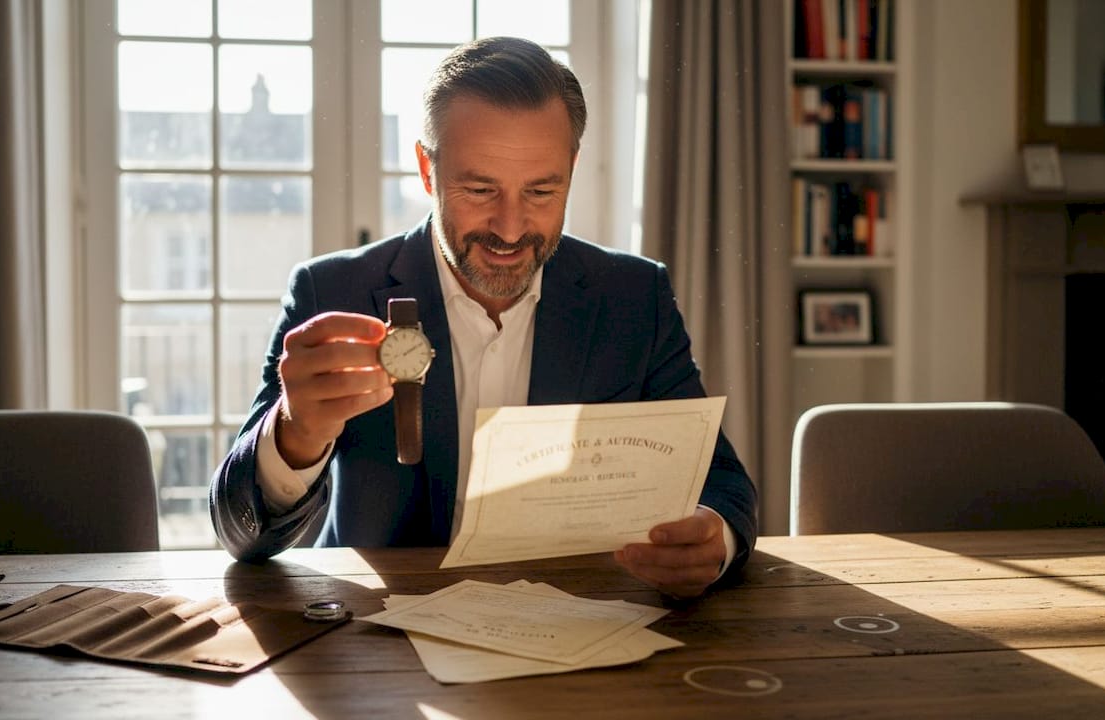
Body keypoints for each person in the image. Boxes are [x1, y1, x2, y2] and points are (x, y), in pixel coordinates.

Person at [210, 36, 758, 598]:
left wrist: (711, 539)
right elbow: (240, 534)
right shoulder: (333, 291)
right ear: (427, 170)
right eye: (479, 189)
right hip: (375, 647)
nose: (512, 227)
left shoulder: (634, 296)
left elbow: (722, 484)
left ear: (572, 167)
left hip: (581, 630)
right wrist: (297, 433)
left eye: (543, 191)